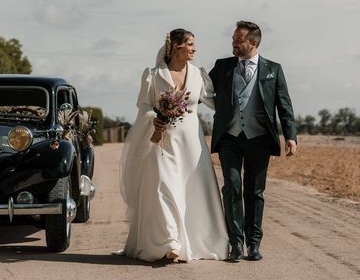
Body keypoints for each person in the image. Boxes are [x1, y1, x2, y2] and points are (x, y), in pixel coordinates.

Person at [119, 28, 228, 262]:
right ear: (176, 46)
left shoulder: (199, 74)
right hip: (162, 139)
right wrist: (154, 118)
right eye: (190, 44)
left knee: (191, 188)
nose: (194, 49)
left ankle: (197, 240)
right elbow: (144, 105)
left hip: (191, 142)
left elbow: (213, 102)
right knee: (162, 185)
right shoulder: (153, 74)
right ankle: (170, 242)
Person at [209, 21, 297, 262]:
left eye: (238, 40)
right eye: (233, 39)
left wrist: (290, 136)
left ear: (253, 43)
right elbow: (201, 90)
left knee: (255, 192)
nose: (233, 43)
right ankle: (235, 243)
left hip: (259, 138)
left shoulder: (273, 69)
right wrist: (176, 103)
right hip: (230, 138)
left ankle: (254, 244)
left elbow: (284, 105)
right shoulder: (223, 66)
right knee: (233, 186)